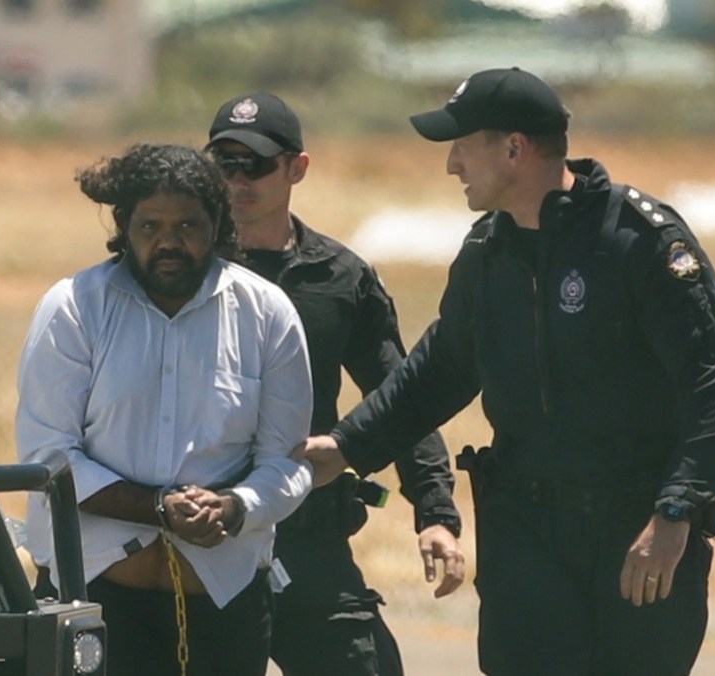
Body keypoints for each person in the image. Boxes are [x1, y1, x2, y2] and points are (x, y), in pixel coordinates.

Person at [303, 67, 715, 676]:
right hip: (528, 529)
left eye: (462, 145)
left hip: (636, 528)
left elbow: (713, 380)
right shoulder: (488, 252)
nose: (451, 164)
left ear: (514, 148)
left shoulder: (637, 240)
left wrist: (676, 513)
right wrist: (345, 446)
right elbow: (438, 371)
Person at [16, 143, 314, 676]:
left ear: (217, 223)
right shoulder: (74, 306)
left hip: (224, 606)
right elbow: (49, 456)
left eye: (188, 226)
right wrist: (157, 508)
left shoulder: (267, 313)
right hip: (94, 601)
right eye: (150, 226)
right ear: (124, 225)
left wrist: (235, 507)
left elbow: (287, 463)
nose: (169, 243)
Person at [205, 92, 465, 676]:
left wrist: (435, 512)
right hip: (201, 540)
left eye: (258, 164)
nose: (239, 181)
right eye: (226, 165)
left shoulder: (338, 278)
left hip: (306, 535)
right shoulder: (182, 270)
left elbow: (399, 398)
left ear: (297, 168)